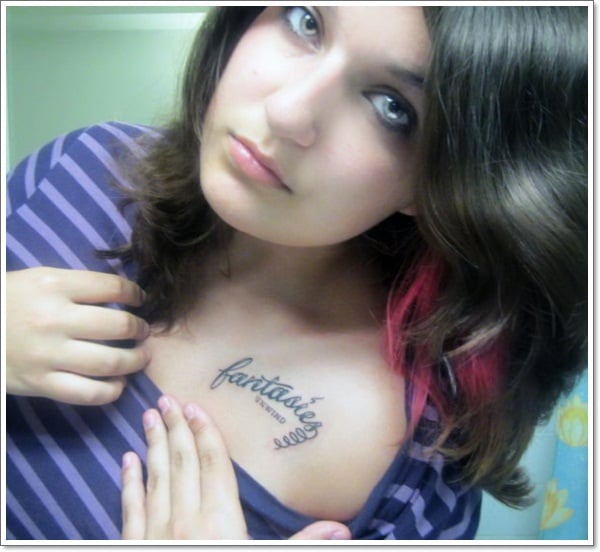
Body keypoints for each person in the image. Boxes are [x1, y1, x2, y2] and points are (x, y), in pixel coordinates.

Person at [5, 5, 587, 541]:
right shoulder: (79, 171)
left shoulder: (416, 479)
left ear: (443, 177)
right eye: (305, 21)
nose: (287, 112)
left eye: (392, 107)